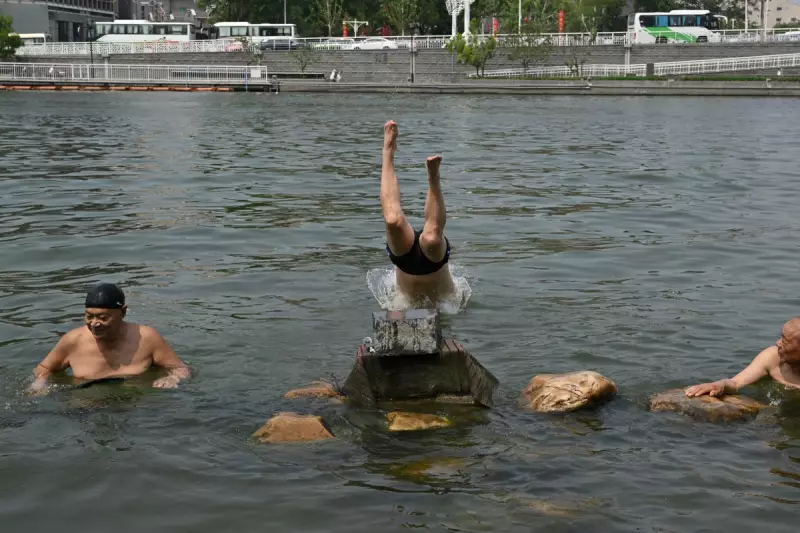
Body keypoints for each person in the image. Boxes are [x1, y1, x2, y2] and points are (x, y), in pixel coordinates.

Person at [30, 283, 191, 394]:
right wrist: (40, 383)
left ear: (123, 312)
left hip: (135, 407)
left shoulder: (147, 338)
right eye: (89, 316)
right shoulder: (73, 340)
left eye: (103, 317)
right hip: (87, 406)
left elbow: (181, 368)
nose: (94, 323)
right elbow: (44, 368)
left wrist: (173, 378)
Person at [380, 120, 456, 305]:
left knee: (432, 239)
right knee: (393, 221)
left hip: (433, 267)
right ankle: (388, 151)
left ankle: (433, 178)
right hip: (409, 266)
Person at [685, 317, 800, 397]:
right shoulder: (773, 357)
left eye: (785, 341)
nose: (778, 343)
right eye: (781, 336)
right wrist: (718, 385)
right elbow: (735, 383)